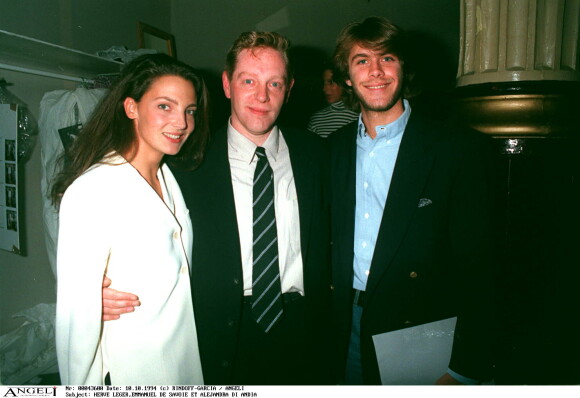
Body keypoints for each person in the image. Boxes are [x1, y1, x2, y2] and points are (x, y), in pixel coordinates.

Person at [103, 32, 333, 385]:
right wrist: (99, 284)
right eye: (248, 81)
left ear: (289, 90)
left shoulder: (317, 154)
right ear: (227, 84)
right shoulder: (185, 163)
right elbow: (129, 226)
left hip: (302, 330)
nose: (261, 96)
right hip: (219, 332)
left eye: (275, 83)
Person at [328, 17, 495, 385]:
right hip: (344, 325)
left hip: (421, 330)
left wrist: (462, 366)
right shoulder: (332, 151)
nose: (375, 72)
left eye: (387, 58)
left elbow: (481, 268)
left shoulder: (456, 149)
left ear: (403, 67)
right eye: (361, 61)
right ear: (346, 77)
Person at [53, 53, 209, 385]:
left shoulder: (172, 179)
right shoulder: (93, 190)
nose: (181, 122)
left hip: (182, 368)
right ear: (131, 108)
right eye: (165, 106)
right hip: (129, 372)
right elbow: (75, 324)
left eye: (189, 111)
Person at [307, 65, 358, 138]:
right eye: (323, 83)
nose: (324, 89)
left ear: (344, 82)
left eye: (330, 82)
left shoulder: (359, 117)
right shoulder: (316, 120)